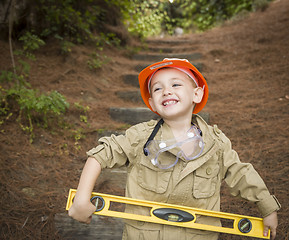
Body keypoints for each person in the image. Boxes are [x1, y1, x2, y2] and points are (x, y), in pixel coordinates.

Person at [68, 58, 281, 240]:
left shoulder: (216, 143)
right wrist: (81, 199)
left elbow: (241, 174)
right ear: (152, 102)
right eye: (158, 88)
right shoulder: (140, 137)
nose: (166, 91)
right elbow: (100, 155)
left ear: (197, 94)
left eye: (176, 84)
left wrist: (267, 207)